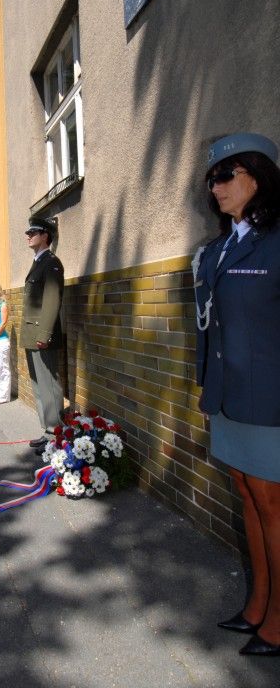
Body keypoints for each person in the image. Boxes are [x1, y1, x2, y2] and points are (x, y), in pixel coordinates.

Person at [194, 132, 280, 656]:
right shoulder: (219, 247)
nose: (216, 186)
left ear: (257, 175)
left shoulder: (275, 240)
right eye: (212, 179)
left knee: (273, 505)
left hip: (269, 399)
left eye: (226, 175)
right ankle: (259, 605)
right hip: (229, 397)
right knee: (248, 496)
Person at [19, 217, 64, 455]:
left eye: (33, 232)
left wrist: (44, 334)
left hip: (41, 335)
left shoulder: (51, 263)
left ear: (45, 235)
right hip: (32, 333)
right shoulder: (38, 262)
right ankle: (47, 431)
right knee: (38, 386)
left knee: (49, 385)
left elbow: (52, 299)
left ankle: (55, 434)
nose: (28, 235)